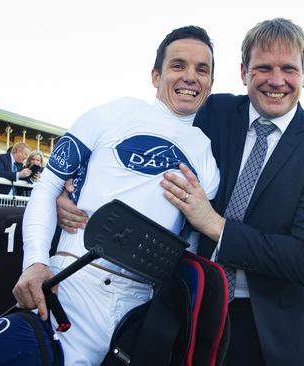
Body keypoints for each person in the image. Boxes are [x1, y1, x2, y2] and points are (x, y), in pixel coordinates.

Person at [57, 18, 304, 366]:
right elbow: (139, 142)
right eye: (263, 67)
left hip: (259, 328)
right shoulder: (212, 110)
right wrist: (72, 187)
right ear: (243, 71)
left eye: (288, 68)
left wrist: (216, 226)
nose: (276, 80)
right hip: (183, 306)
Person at [13, 26, 219, 365]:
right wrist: (35, 263)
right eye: (178, 65)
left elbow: (190, 241)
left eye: (202, 70)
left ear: (211, 83)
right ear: (156, 75)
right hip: (72, 285)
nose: (190, 77)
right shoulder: (110, 114)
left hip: (140, 309)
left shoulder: (207, 158)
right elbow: (48, 185)